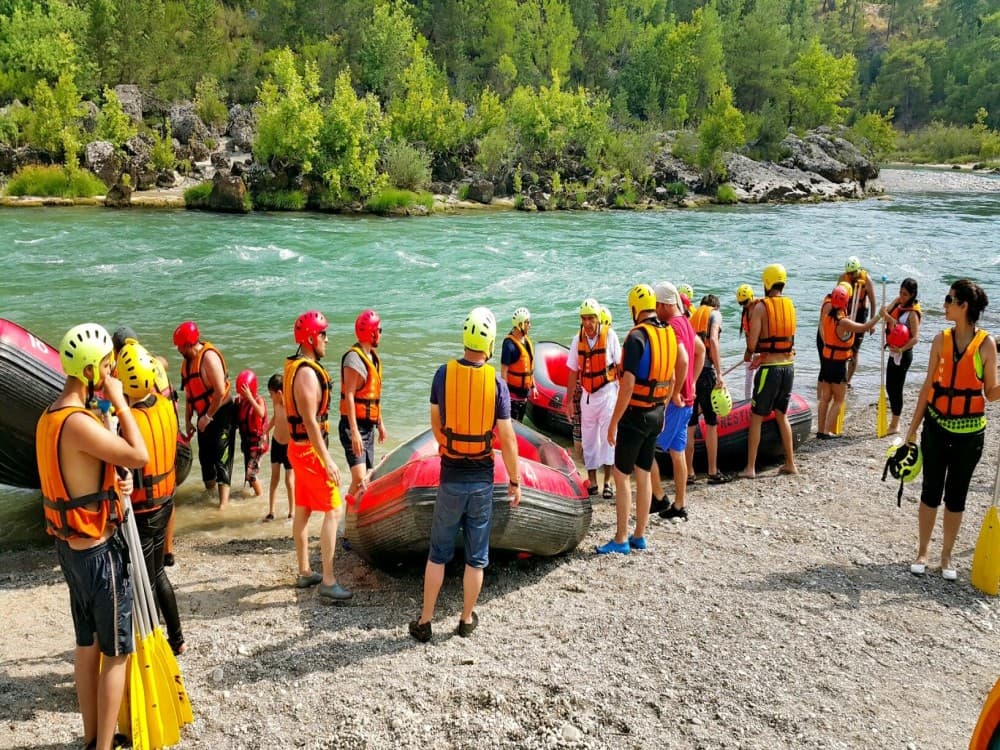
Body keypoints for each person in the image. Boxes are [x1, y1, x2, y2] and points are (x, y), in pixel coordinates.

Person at [37, 323, 149, 750]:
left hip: (70, 552)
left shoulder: (51, 417)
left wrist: (112, 483)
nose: (110, 374)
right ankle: (104, 747)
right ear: (89, 371)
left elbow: (83, 473)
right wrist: (120, 400)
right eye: (105, 367)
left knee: (87, 646)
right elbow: (138, 455)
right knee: (115, 653)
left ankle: (91, 740)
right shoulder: (79, 424)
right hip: (100, 556)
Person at [409, 307, 521, 641]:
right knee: (476, 556)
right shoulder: (497, 384)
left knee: (438, 553)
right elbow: (508, 437)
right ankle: (466, 619)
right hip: (482, 478)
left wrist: (450, 445)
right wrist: (515, 481)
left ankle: (426, 621)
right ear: (488, 343)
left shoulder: (443, 374)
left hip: (451, 475)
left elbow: (435, 424)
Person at [904, 279, 1000, 580]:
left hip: (970, 435)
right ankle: (922, 551)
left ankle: (946, 556)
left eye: (949, 299)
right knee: (930, 491)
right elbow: (927, 387)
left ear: (964, 306)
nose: (944, 304)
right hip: (935, 427)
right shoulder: (939, 341)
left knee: (956, 496)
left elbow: (991, 392)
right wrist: (911, 429)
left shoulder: (986, 344)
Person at [600, 284, 684, 553]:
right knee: (644, 472)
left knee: (621, 474)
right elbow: (672, 376)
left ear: (635, 308)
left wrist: (614, 421)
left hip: (635, 415)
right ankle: (640, 535)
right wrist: (664, 403)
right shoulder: (668, 332)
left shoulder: (637, 338)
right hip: (657, 412)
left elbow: (627, 384)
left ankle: (621, 538)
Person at [115, 342, 186, 656]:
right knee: (158, 573)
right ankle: (177, 638)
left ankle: (153, 643)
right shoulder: (164, 405)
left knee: (146, 579)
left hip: (145, 513)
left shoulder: (129, 422)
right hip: (166, 501)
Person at [284, 310, 352, 600]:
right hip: (309, 451)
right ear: (311, 338)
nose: (327, 338)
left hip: (298, 449)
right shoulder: (308, 374)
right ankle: (328, 579)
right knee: (334, 510)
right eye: (323, 334)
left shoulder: (298, 368)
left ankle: (304, 571)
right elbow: (311, 421)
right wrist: (328, 459)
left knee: (303, 508)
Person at [113, 325, 179, 566]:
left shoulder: (127, 378)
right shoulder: (152, 365)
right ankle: (168, 552)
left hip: (149, 445)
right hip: (168, 437)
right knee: (168, 496)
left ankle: (163, 555)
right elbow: (163, 362)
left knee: (147, 572)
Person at [649, 282, 704, 521]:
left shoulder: (672, 326)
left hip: (676, 402)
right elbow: (701, 351)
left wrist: (674, 391)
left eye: (655, 307)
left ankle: (659, 496)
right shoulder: (686, 323)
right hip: (688, 399)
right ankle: (680, 504)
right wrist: (691, 382)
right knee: (677, 452)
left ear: (663, 305)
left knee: (645, 448)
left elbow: (681, 359)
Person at [739, 264, 799, 478]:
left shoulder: (760, 308)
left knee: (756, 416)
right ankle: (791, 463)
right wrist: (764, 355)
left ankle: (750, 468)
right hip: (788, 367)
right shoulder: (791, 305)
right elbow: (788, 340)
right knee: (782, 415)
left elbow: (753, 343)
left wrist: (750, 354)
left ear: (766, 283)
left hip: (770, 372)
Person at [174, 320, 236, 508]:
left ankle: (223, 506)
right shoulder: (186, 364)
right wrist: (188, 422)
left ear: (187, 344)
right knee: (205, 460)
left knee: (221, 457)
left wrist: (207, 417)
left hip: (222, 413)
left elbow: (219, 392)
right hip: (203, 416)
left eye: (179, 346)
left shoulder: (208, 357)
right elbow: (190, 395)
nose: (178, 350)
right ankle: (209, 498)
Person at [565, 298, 621, 499]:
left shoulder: (610, 336)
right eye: (584, 319)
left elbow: (619, 367)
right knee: (589, 440)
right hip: (587, 397)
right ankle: (593, 482)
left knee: (608, 438)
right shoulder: (576, 340)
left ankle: (607, 482)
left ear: (598, 319)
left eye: (591, 318)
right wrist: (569, 400)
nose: (587, 323)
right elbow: (572, 371)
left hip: (607, 394)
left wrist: (623, 397)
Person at [815, 285, 881, 438]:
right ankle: (826, 432)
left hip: (826, 362)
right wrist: (878, 316)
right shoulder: (843, 322)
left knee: (825, 399)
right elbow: (865, 327)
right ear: (845, 302)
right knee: (839, 400)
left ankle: (820, 430)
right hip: (838, 365)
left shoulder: (827, 317)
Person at [339, 309, 386, 498]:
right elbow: (349, 395)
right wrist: (355, 433)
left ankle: (356, 517)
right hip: (353, 427)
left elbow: (374, 395)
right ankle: (343, 519)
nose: (381, 334)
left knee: (367, 478)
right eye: (380, 330)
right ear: (372, 333)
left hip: (368, 426)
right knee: (359, 479)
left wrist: (380, 424)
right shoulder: (353, 359)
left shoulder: (372, 358)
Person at [686, 294, 731, 484]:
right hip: (705, 373)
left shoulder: (692, 316)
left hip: (690, 375)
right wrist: (719, 373)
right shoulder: (715, 315)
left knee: (690, 425)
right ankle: (713, 471)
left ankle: (689, 472)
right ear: (716, 307)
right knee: (711, 423)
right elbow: (713, 340)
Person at [882, 278, 922, 435]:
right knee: (889, 386)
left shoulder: (912, 314)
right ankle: (894, 419)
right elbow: (882, 312)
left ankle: (895, 423)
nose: (901, 296)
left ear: (912, 295)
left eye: (905, 294)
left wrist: (901, 349)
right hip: (893, 352)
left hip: (904, 354)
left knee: (896, 388)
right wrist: (890, 317)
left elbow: (916, 338)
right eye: (900, 292)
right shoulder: (898, 303)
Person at [839, 256, 877, 386]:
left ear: (858, 269)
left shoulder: (866, 280)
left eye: (853, 273)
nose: (852, 276)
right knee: (842, 345)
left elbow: (872, 301)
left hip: (860, 314)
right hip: (846, 313)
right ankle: (840, 376)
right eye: (849, 273)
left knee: (855, 349)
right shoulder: (843, 278)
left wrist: (872, 323)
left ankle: (848, 380)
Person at [265, 373, 295, 521]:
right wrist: (266, 431)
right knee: (274, 478)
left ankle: (292, 512)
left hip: (289, 447)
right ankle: (271, 511)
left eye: (271, 394)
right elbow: (275, 418)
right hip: (276, 443)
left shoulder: (291, 406)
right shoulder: (275, 403)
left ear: (279, 393)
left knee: (289, 481)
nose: (270, 397)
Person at [236, 369, 268, 498]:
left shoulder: (258, 400)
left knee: (251, 474)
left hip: (258, 443)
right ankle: (252, 493)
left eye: (244, 393)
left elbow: (260, 413)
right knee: (248, 472)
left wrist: (250, 397)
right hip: (247, 443)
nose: (242, 396)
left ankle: (259, 497)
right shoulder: (241, 402)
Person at [500, 306, 534, 422]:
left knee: (521, 422)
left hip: (524, 395)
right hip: (512, 396)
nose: (530, 325)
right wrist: (505, 395)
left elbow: (529, 366)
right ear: (520, 325)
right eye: (527, 323)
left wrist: (533, 386)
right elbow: (504, 371)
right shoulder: (509, 345)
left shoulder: (526, 341)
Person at [736, 284, 757, 400]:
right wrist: (749, 352)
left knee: (757, 377)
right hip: (753, 350)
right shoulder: (746, 314)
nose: (744, 305)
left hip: (761, 352)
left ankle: (757, 399)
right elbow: (747, 336)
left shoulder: (760, 308)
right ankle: (747, 400)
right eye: (742, 304)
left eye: (746, 302)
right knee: (749, 376)